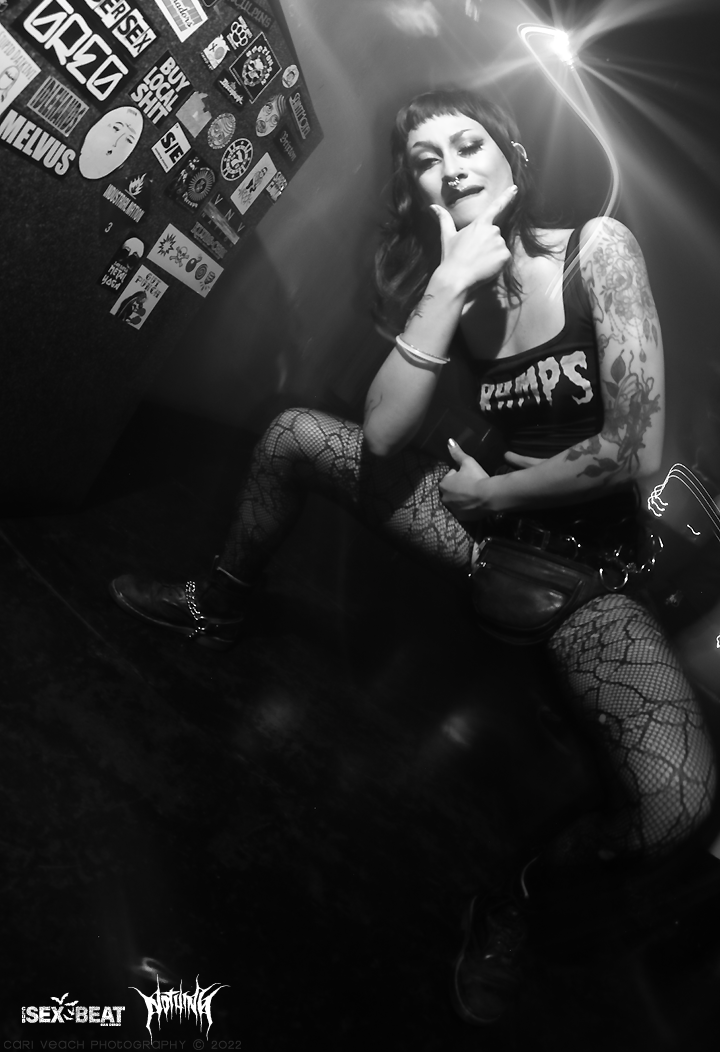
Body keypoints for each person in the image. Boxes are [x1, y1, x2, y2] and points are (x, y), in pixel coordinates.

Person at [110, 89, 717, 1025]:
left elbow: (633, 448)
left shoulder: (597, 248)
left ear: (512, 156)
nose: (452, 167)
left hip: (590, 574)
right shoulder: (451, 282)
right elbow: (386, 435)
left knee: (676, 803)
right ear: (416, 189)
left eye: (468, 143)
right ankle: (215, 607)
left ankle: (512, 899)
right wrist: (447, 285)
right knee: (294, 436)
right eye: (427, 160)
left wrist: (498, 494)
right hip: (482, 534)